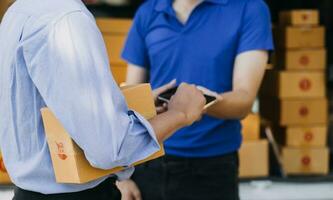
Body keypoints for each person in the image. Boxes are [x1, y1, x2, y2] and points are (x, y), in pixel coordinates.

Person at [0, 0, 207, 199]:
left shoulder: (19, 11)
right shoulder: (67, 19)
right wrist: (181, 113)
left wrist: (131, 110)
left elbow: (50, 105)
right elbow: (110, 150)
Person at [122, 0, 274, 199]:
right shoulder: (149, 11)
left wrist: (199, 103)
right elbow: (131, 100)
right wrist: (121, 176)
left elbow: (244, 100)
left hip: (212, 168)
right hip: (148, 162)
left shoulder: (249, 8)